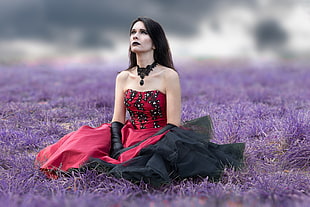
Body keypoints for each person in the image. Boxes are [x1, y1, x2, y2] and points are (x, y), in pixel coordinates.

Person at [35, 17, 244, 186]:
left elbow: (173, 124)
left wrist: (137, 149)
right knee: (82, 142)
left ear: (155, 42)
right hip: (128, 133)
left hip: (162, 136)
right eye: (133, 32)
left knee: (145, 164)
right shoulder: (123, 77)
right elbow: (117, 119)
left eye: (143, 32)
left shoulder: (168, 76)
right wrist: (117, 146)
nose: (136, 36)